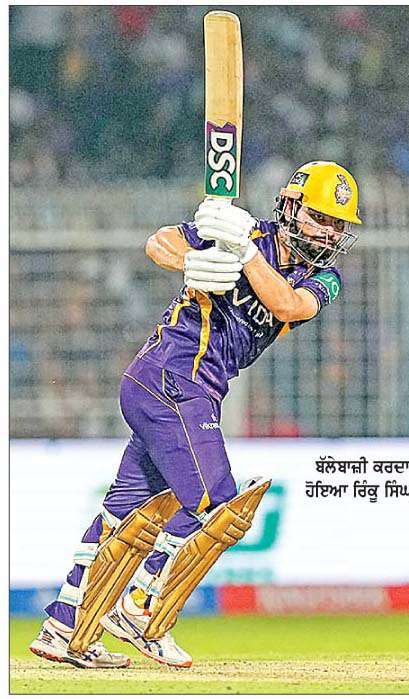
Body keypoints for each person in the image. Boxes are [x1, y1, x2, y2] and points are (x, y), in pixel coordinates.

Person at [30, 161, 361, 669]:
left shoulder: (321, 277)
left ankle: (64, 627)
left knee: (122, 515)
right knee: (218, 506)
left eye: (338, 224)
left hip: (187, 390)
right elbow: (158, 242)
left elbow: (289, 306)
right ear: (291, 207)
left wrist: (245, 257)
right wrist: (193, 262)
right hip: (172, 378)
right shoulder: (239, 230)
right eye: (321, 218)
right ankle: (139, 608)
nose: (330, 232)